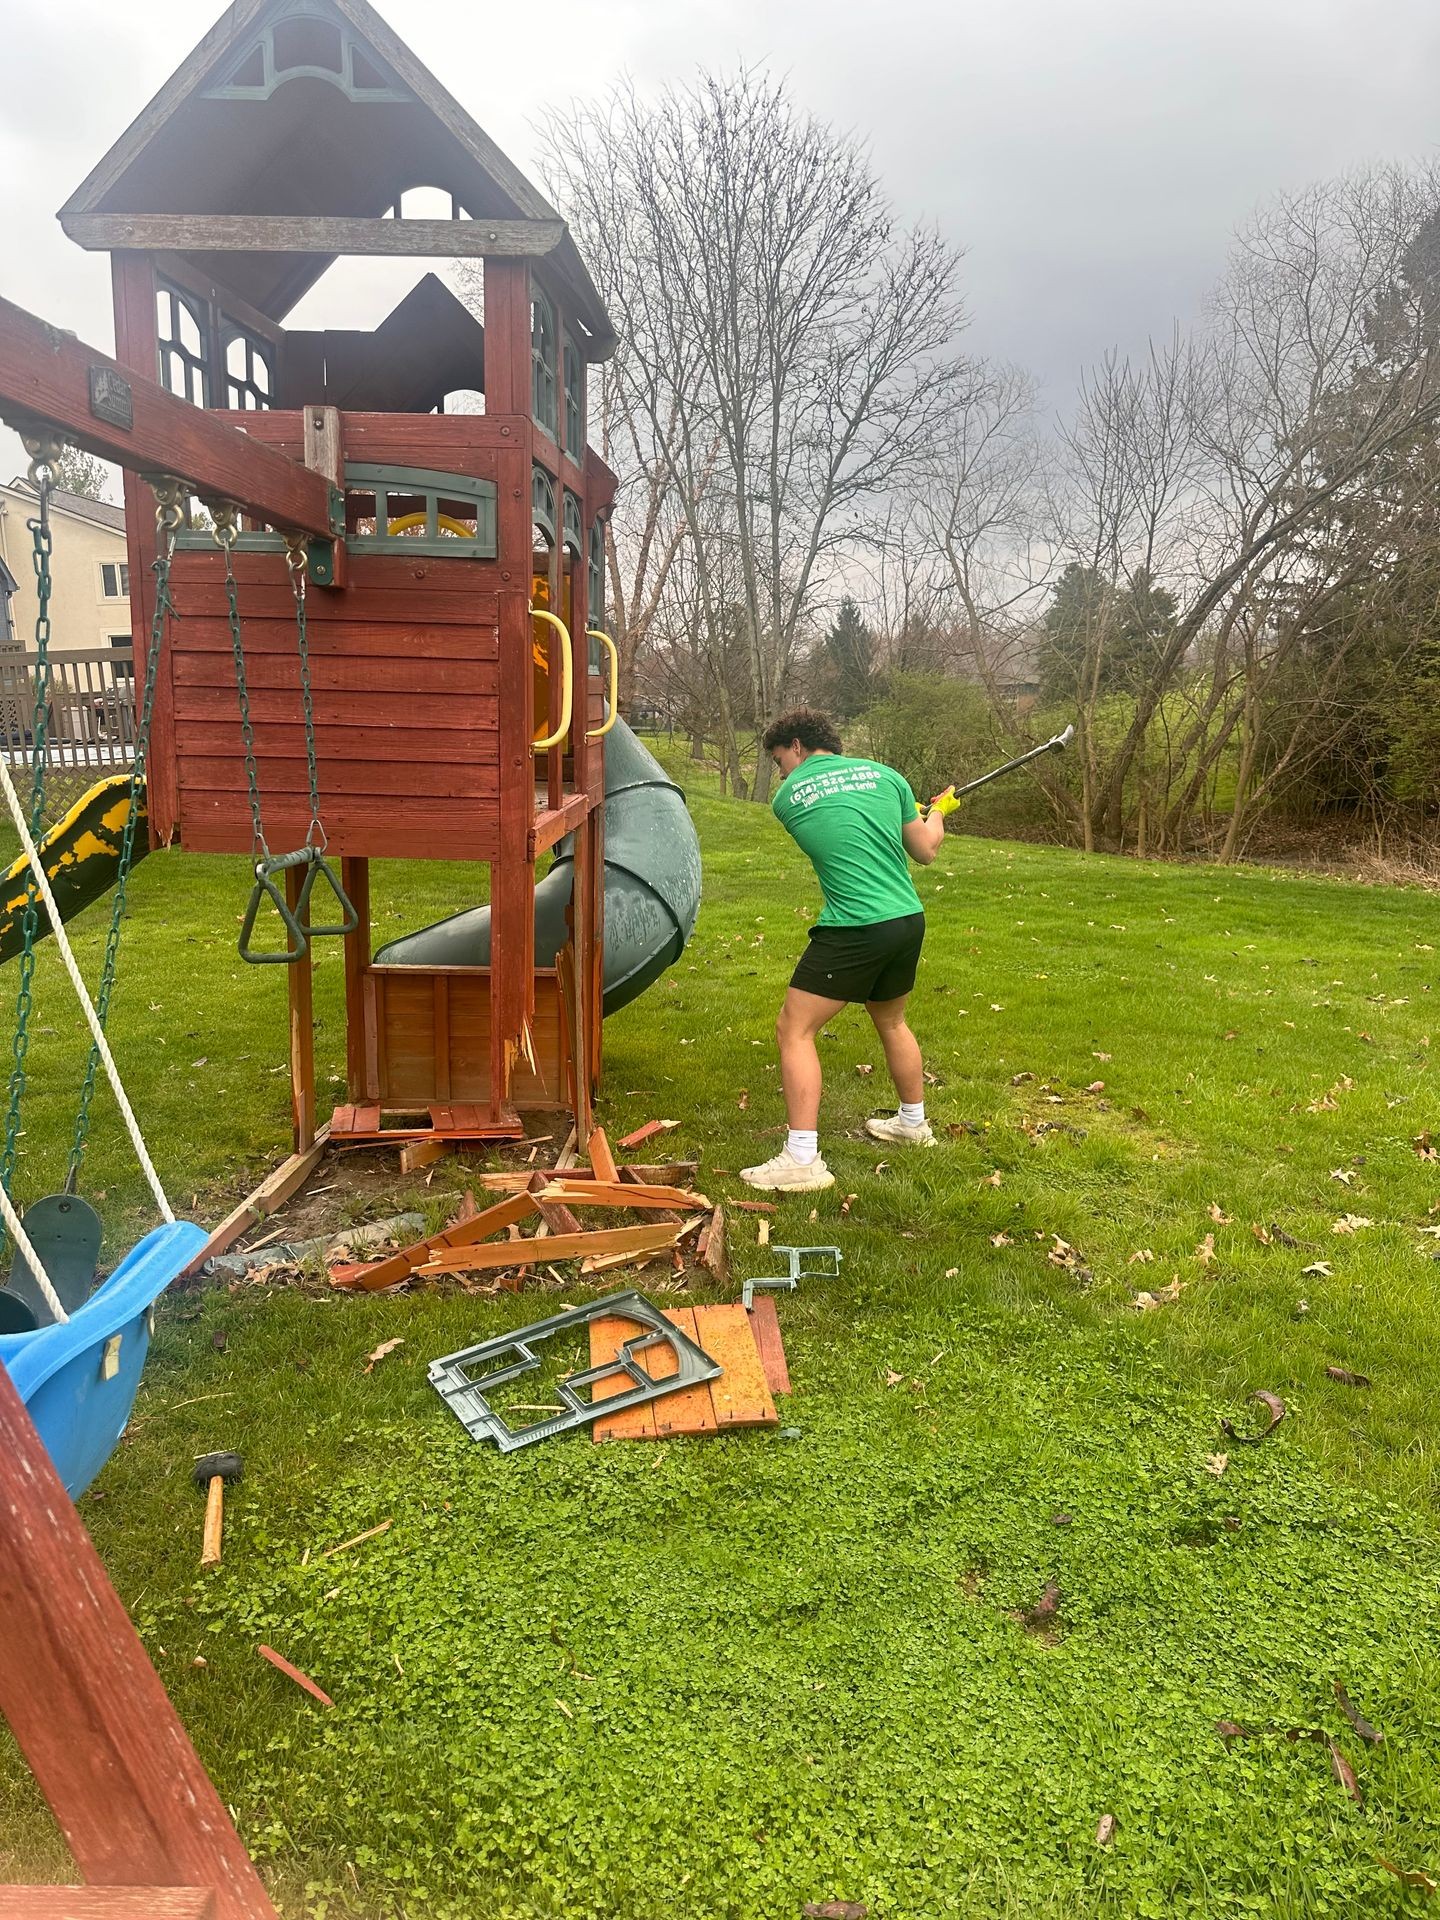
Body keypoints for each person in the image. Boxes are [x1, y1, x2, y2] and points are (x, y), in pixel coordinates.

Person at [740, 708, 957, 1192]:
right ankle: (913, 1124)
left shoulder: (787, 798)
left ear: (797, 746)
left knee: (794, 1029)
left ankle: (801, 1159)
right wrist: (938, 811)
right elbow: (925, 850)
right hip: (906, 919)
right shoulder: (888, 777)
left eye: (780, 760)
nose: (781, 773)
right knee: (892, 1020)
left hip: (855, 926)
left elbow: (841, 825)